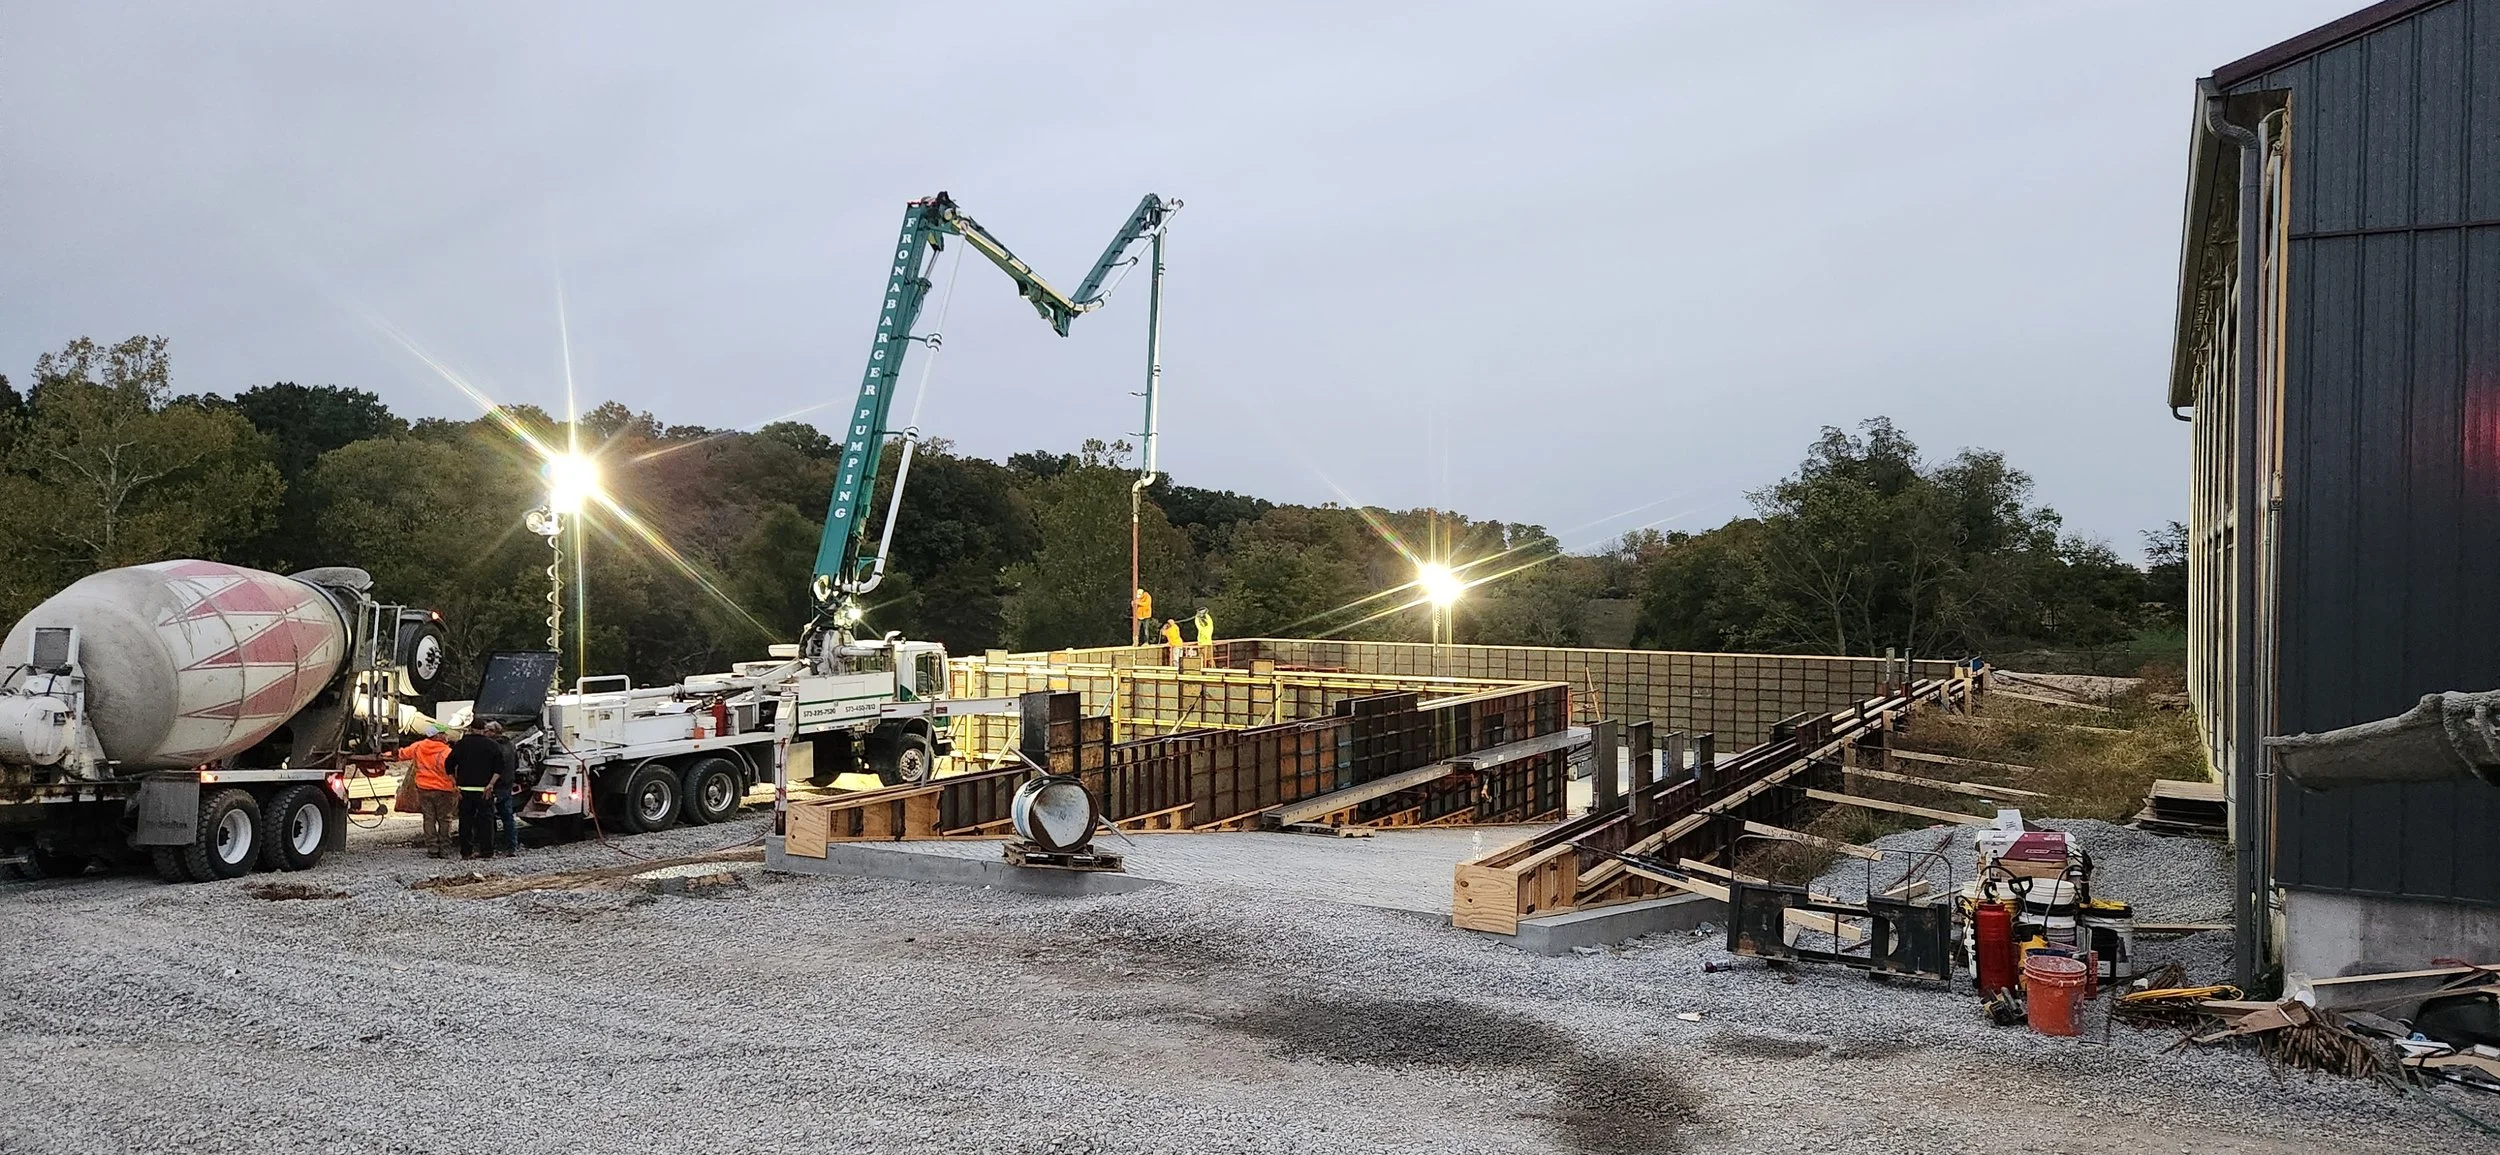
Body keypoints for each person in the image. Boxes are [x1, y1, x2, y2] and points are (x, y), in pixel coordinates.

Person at [447, 726, 507, 860]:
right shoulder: (492, 745)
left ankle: (466, 852)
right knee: (486, 821)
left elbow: (448, 765)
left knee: (465, 821)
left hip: (465, 790)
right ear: (483, 730)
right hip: (484, 790)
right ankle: (487, 851)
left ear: (470, 729)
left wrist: (455, 785)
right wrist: (491, 784)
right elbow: (499, 768)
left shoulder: (461, 744)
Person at [399, 729, 457, 858]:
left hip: (424, 788)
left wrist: (383, 754)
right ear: (438, 736)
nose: (446, 736)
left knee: (429, 818)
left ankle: (432, 848)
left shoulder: (418, 746)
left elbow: (401, 754)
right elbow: (453, 770)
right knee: (445, 819)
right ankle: (444, 849)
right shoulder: (447, 752)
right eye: (444, 734)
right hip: (444, 789)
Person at [484, 720, 523, 857]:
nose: (485, 732)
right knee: (508, 817)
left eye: (487, 730)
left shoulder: (491, 746)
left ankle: (490, 846)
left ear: (494, 732)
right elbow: (516, 764)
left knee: (489, 816)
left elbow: (490, 766)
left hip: (494, 785)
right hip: (507, 784)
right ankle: (512, 846)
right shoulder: (511, 744)